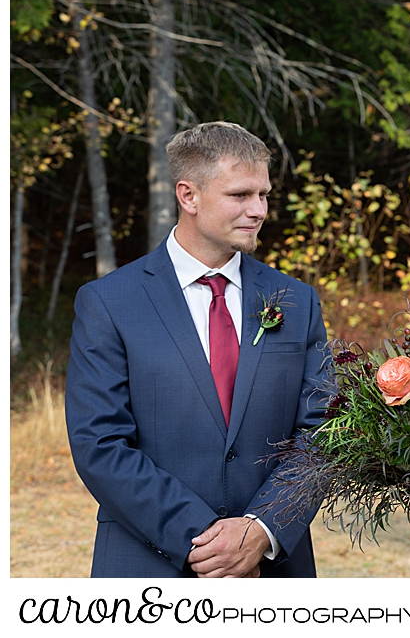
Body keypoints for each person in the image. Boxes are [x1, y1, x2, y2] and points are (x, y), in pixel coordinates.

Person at [65, 121, 327, 578]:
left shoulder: (295, 300)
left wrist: (261, 529)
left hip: (273, 568)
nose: (259, 209)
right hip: (148, 567)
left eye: (263, 195)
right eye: (240, 195)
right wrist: (206, 538)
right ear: (188, 196)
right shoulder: (109, 302)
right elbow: (100, 444)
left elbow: (323, 430)